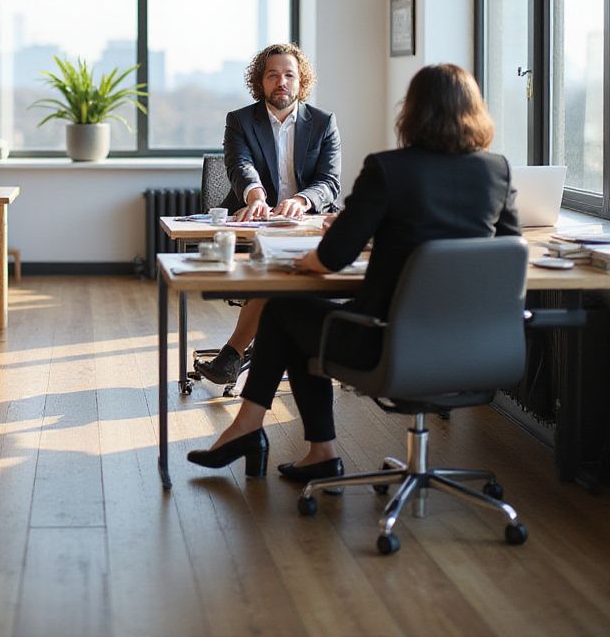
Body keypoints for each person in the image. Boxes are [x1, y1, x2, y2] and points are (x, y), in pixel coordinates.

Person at [187, 63, 520, 482]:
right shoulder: (498, 171)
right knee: (293, 315)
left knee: (285, 311)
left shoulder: (388, 169)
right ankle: (280, 440)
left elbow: (330, 259)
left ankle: (268, 435)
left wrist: (322, 250)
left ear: (411, 112)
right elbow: (507, 251)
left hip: (387, 342)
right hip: (478, 348)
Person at [196, 42, 341, 386]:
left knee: (280, 274)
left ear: (300, 80)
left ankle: (233, 354)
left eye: (289, 75)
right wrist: (256, 195)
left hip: (306, 227)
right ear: (260, 82)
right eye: (273, 75)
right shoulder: (241, 121)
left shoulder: (323, 123)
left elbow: (330, 182)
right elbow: (239, 165)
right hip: (255, 228)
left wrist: (303, 200)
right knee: (275, 271)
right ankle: (244, 354)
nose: (281, 82)